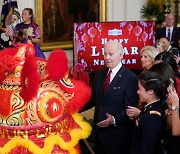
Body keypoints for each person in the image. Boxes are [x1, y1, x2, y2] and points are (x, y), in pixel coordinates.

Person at [87, 40, 138, 154]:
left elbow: (130, 109)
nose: (107, 57)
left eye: (111, 54)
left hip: (118, 138)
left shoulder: (130, 78)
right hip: (99, 135)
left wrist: (114, 120)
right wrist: (73, 107)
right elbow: (92, 99)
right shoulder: (99, 74)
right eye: (105, 54)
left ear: (121, 55)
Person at [130, 71, 166, 154]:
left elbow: (147, 148)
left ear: (150, 91)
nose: (137, 92)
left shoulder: (153, 117)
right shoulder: (148, 109)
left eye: (139, 89)